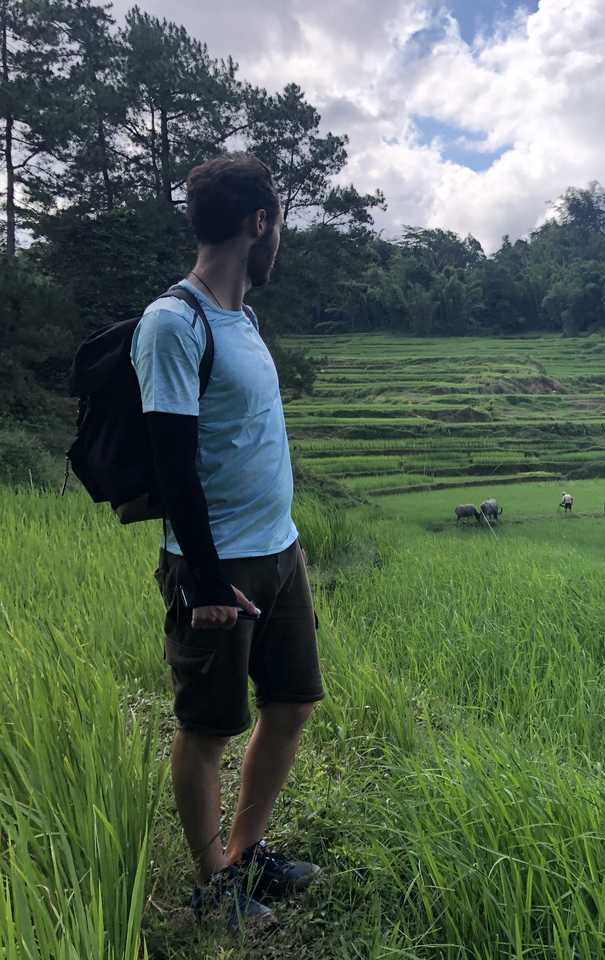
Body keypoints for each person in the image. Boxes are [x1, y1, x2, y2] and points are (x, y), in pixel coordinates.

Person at [131, 154, 323, 928]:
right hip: (219, 564)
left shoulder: (242, 318)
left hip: (278, 552)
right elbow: (173, 466)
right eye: (278, 224)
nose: (279, 237)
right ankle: (214, 887)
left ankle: (245, 851)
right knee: (208, 728)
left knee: (293, 704)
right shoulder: (172, 322)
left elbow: (250, 440)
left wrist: (291, 546)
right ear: (259, 225)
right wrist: (206, 582)